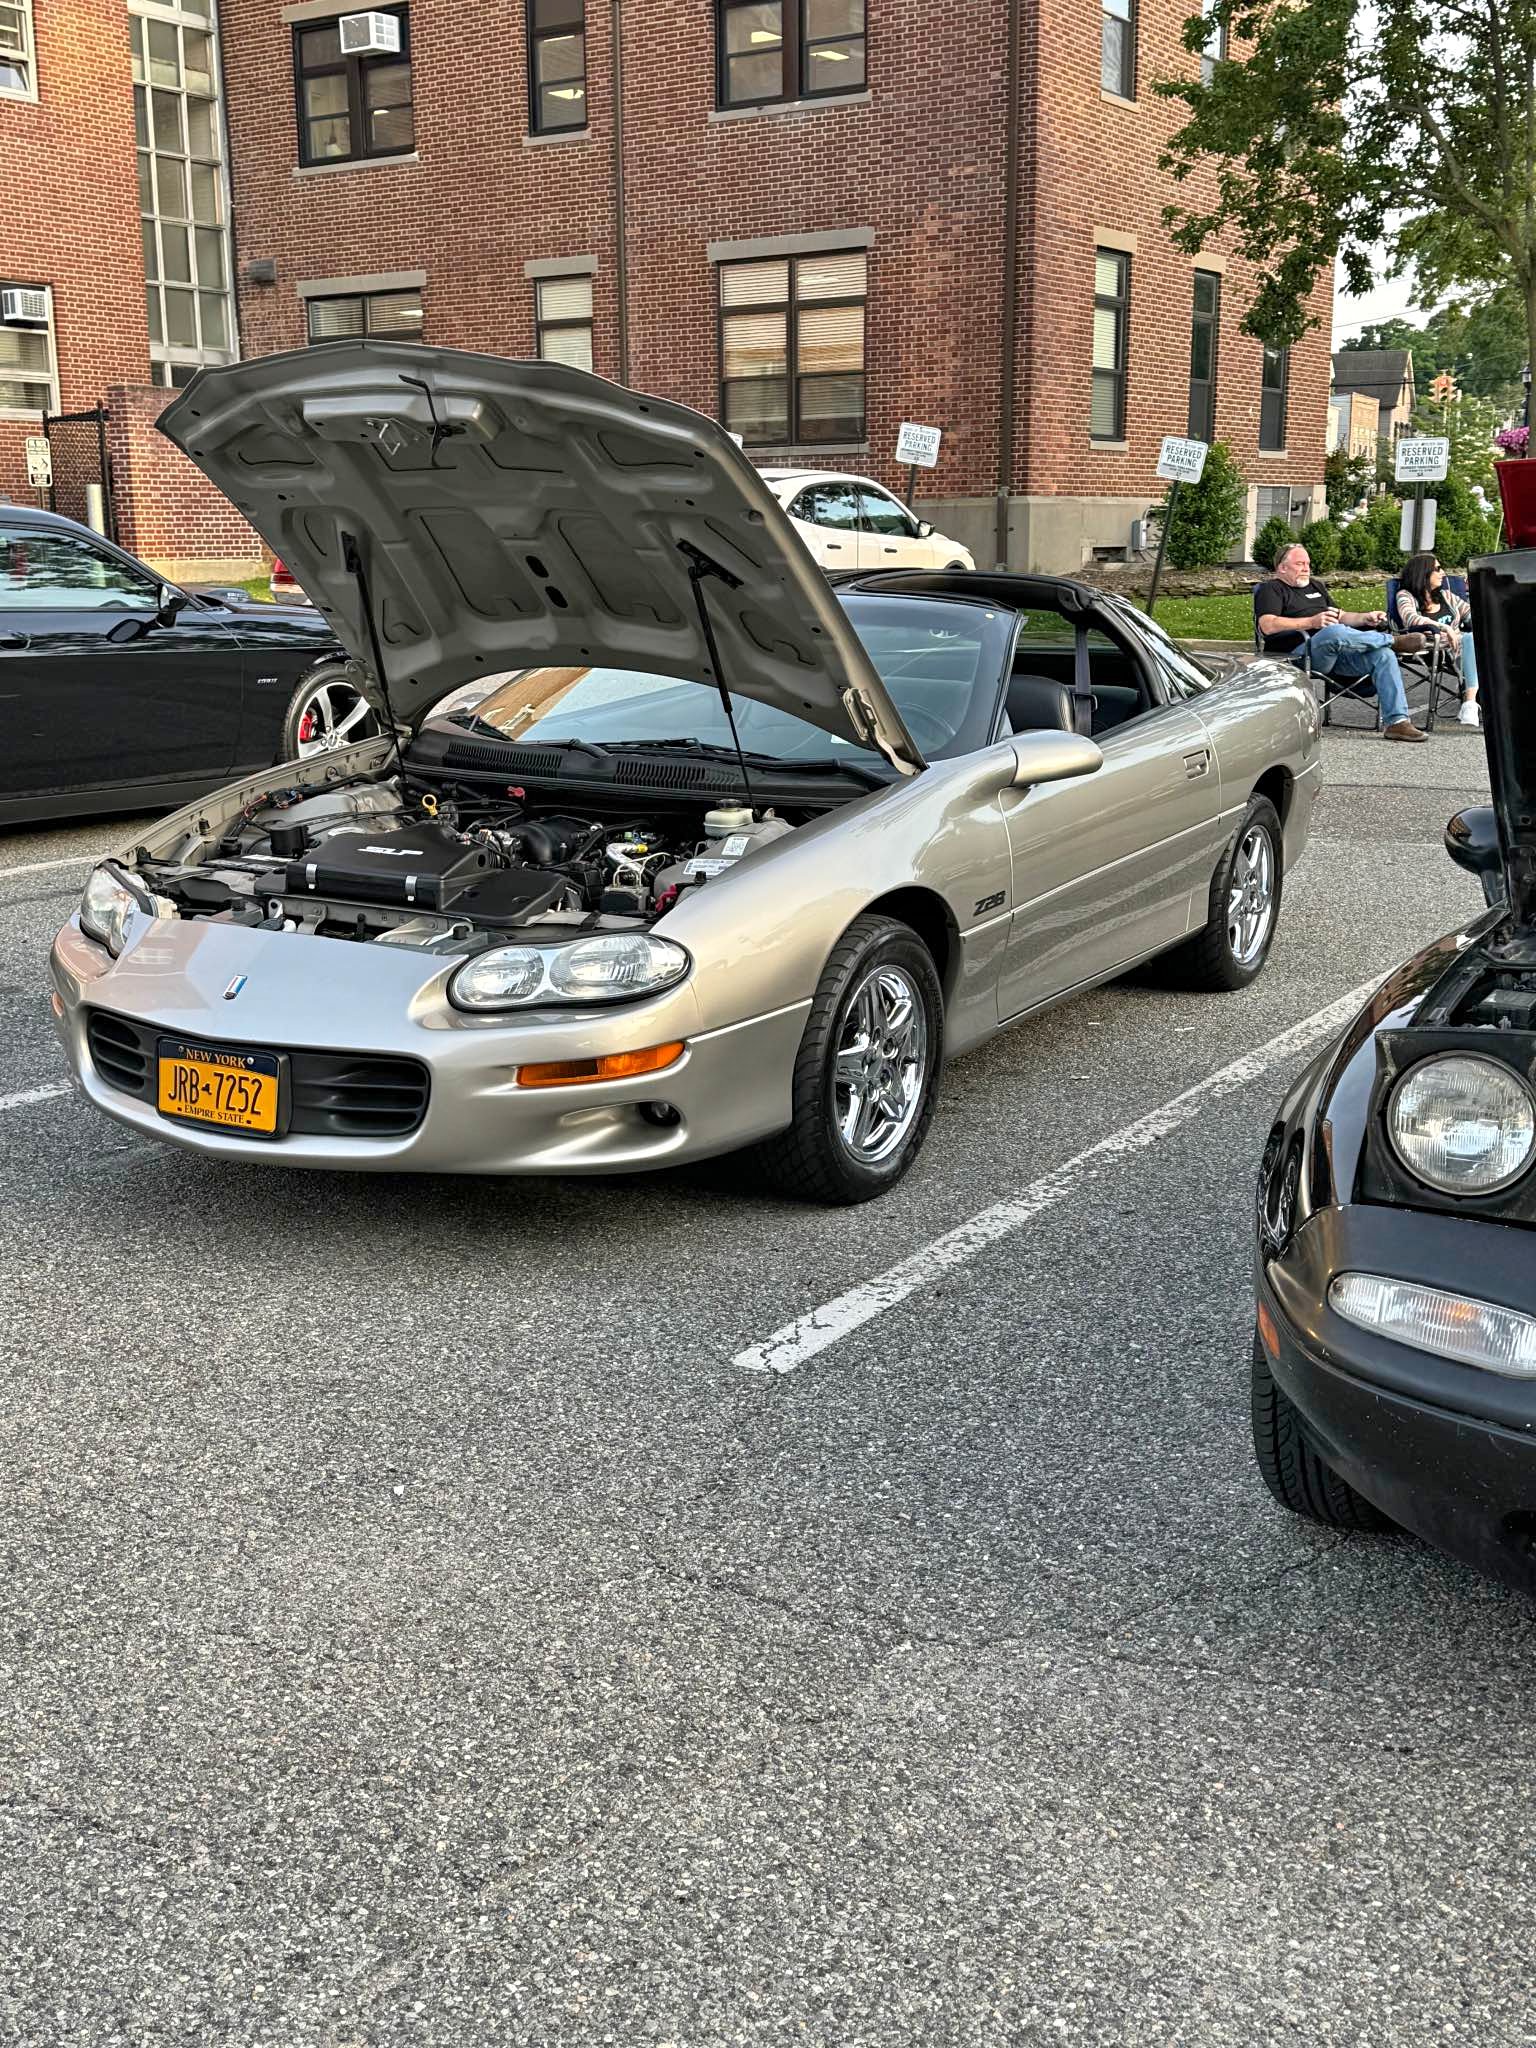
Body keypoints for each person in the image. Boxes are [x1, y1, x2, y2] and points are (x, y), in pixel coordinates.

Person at [1255, 541, 1428, 743]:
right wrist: (1311, 622)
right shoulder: (1271, 589)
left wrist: (1365, 617)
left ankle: (1397, 722)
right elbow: (1267, 625)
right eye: (1300, 563)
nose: (1306, 568)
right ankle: (1391, 640)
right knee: (1334, 631)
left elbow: (1341, 616)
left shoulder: (1316, 585)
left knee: (1383, 655)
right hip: (1297, 654)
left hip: (1334, 653)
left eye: (1308, 563)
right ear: (1282, 567)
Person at [1395, 552, 1479, 728]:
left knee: (1477, 641)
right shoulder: (1406, 596)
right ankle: (1470, 703)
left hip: (1462, 646)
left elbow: (1472, 614)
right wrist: (1444, 627)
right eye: (1438, 569)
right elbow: (1410, 618)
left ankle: (1470, 702)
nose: (1443, 573)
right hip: (1432, 649)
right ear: (1423, 573)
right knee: (1471, 640)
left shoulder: (1447, 596)